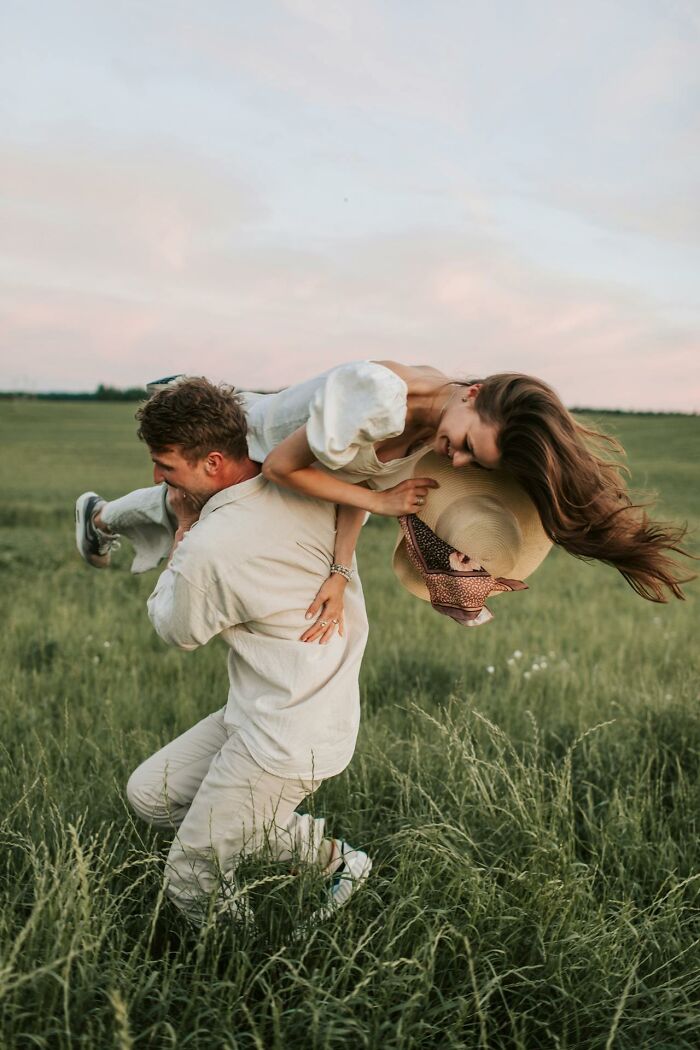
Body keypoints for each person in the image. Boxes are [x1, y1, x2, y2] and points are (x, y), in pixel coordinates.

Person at [76, 362, 692, 642]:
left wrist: (341, 570)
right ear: (474, 393)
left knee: (173, 505)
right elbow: (291, 467)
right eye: (470, 445)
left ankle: (99, 518)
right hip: (254, 446)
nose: (458, 461)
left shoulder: (430, 430)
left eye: (476, 463)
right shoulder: (380, 397)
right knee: (175, 505)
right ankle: (101, 518)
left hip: (279, 472)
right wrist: (389, 503)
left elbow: (358, 485)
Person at [125, 377, 372, 929]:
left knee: (191, 876)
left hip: (285, 734)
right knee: (152, 795)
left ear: (213, 463)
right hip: (273, 704)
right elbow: (357, 486)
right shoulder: (300, 476)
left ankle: (246, 966)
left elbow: (176, 629)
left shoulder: (212, 547)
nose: (158, 479)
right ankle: (330, 858)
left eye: (166, 465)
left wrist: (184, 527)